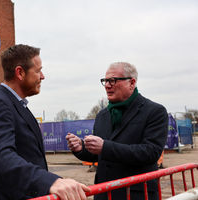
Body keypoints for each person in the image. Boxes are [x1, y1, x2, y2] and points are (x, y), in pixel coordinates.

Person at [0, 44, 90, 200]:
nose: (42, 76)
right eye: (38, 71)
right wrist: (51, 182)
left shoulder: (17, 104)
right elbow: (2, 159)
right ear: (20, 72)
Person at [66, 62, 168, 200]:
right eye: (105, 81)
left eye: (113, 80)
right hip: (104, 194)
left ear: (132, 83)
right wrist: (81, 148)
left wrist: (104, 147)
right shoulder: (102, 115)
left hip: (135, 194)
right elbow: (98, 155)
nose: (107, 85)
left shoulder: (154, 111)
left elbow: (151, 152)